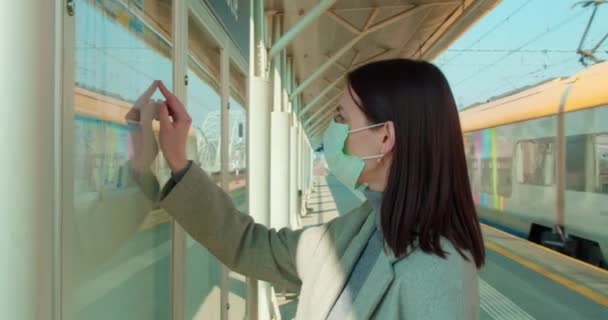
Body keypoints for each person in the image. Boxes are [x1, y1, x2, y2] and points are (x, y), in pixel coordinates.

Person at [134, 59, 485, 319]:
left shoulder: (441, 274)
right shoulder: (366, 225)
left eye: (342, 119)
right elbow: (255, 246)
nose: (333, 132)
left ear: (385, 136)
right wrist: (178, 161)